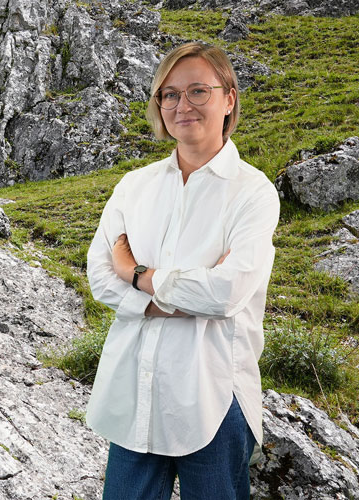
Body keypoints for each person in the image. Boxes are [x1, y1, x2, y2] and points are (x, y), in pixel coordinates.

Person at [86, 41, 280, 500]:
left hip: (213, 395)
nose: (182, 105)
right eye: (169, 94)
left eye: (198, 90)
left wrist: (136, 274)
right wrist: (177, 300)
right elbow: (99, 275)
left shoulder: (252, 193)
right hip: (136, 392)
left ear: (229, 98)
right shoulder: (135, 187)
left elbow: (226, 294)